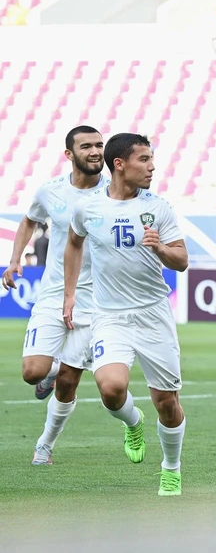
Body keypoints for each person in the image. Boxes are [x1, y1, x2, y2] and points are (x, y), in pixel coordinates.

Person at [63, 133, 188, 496]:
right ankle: (133, 422)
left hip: (152, 316)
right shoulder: (87, 208)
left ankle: (171, 468)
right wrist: (70, 295)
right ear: (120, 164)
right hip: (109, 317)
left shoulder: (159, 207)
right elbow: (74, 244)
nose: (152, 167)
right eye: (144, 160)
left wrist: (161, 248)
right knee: (111, 389)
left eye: (152, 160)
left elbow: (181, 261)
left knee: (167, 402)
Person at [1, 125, 107, 465]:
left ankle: (45, 445)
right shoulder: (51, 191)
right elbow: (29, 220)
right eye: (87, 146)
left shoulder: (117, 192)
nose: (95, 151)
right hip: (52, 293)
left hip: (96, 300)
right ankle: (54, 365)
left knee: (67, 384)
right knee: (33, 371)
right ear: (69, 154)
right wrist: (16, 259)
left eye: (99, 145)